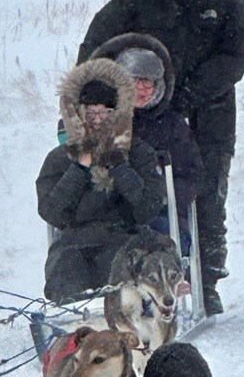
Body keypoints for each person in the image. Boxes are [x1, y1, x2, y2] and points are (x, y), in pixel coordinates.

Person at [77, 0, 244, 315]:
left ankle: (206, 280)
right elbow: (96, 46)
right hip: (147, 118)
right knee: (143, 196)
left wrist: (186, 93)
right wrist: (93, 96)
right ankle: (136, 279)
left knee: (206, 197)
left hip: (209, 118)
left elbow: (234, 56)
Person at [37, 58, 165, 305]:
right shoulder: (58, 159)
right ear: (79, 113)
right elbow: (51, 211)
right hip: (74, 244)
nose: (98, 120)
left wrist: (120, 166)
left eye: (106, 112)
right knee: (67, 273)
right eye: (92, 112)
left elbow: (148, 208)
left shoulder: (139, 152)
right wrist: (79, 168)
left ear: (118, 113)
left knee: (120, 268)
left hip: (126, 236)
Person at [89, 32, 204, 257]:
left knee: (157, 247)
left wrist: (158, 196)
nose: (141, 89)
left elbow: (192, 173)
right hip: (114, 217)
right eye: (134, 80)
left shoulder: (172, 123)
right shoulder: (103, 119)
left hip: (161, 216)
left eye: (147, 81)